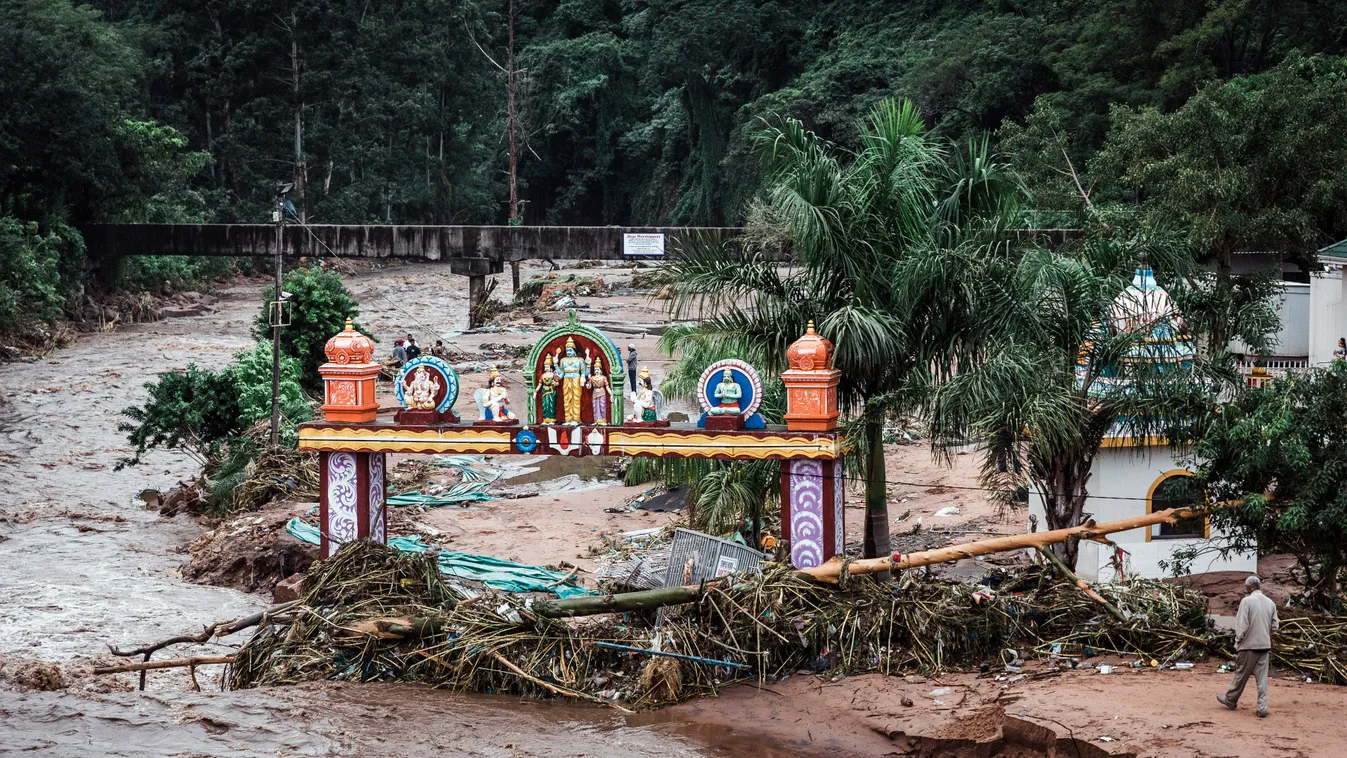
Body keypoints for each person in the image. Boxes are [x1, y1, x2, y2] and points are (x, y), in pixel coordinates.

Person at [1218, 575, 1279, 717]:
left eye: (1246, 586)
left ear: (1250, 587)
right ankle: (1262, 708)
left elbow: (1242, 626)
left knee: (1241, 675)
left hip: (1248, 645)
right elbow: (1275, 626)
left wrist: (1238, 641)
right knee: (1262, 679)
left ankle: (1231, 700)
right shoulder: (1270, 603)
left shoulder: (1246, 601)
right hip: (1265, 645)